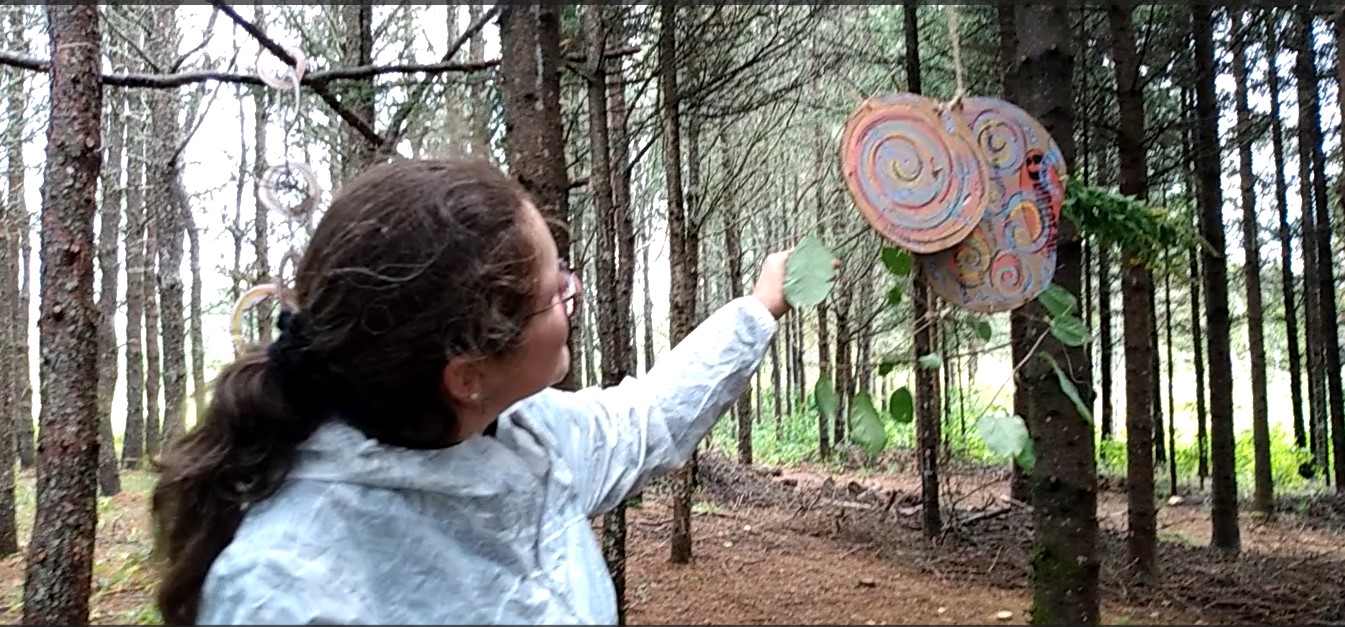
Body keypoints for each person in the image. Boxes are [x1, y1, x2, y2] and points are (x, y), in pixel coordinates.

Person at [151, 157, 814, 625]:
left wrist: (757, 310)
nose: (569, 294)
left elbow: (641, 420)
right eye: (555, 292)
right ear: (467, 375)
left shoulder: (524, 434)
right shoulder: (282, 591)